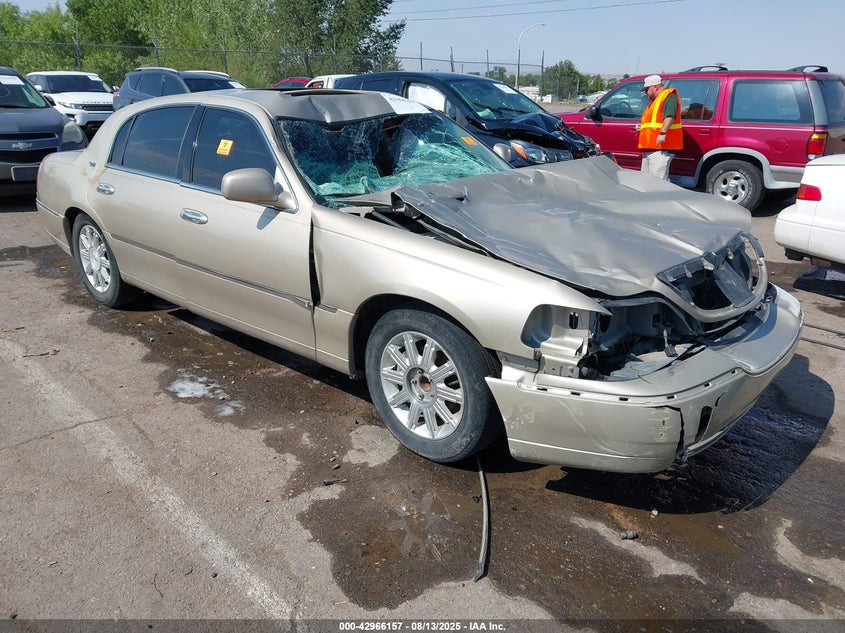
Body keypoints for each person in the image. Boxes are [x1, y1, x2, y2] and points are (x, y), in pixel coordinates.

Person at [636, 74, 682, 180]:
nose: (645, 93)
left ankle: (661, 197)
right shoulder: (655, 101)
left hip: (661, 148)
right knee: (647, 180)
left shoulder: (668, 96)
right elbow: (654, 122)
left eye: (646, 90)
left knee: (657, 182)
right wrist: (642, 128)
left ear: (655, 87)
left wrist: (662, 133)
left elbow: (670, 116)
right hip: (651, 147)